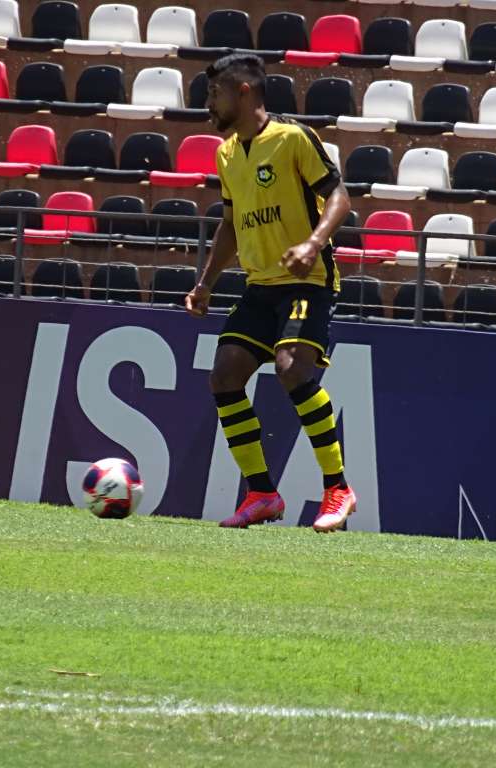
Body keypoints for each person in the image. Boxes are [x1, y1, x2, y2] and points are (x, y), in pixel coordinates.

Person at [185, 53, 357, 533]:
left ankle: (337, 489)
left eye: (214, 93)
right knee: (224, 376)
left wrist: (312, 242)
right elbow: (230, 224)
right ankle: (262, 494)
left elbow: (340, 195)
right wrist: (205, 284)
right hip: (260, 285)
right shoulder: (225, 153)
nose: (208, 104)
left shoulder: (292, 138)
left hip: (307, 281)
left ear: (243, 91)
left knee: (291, 369)